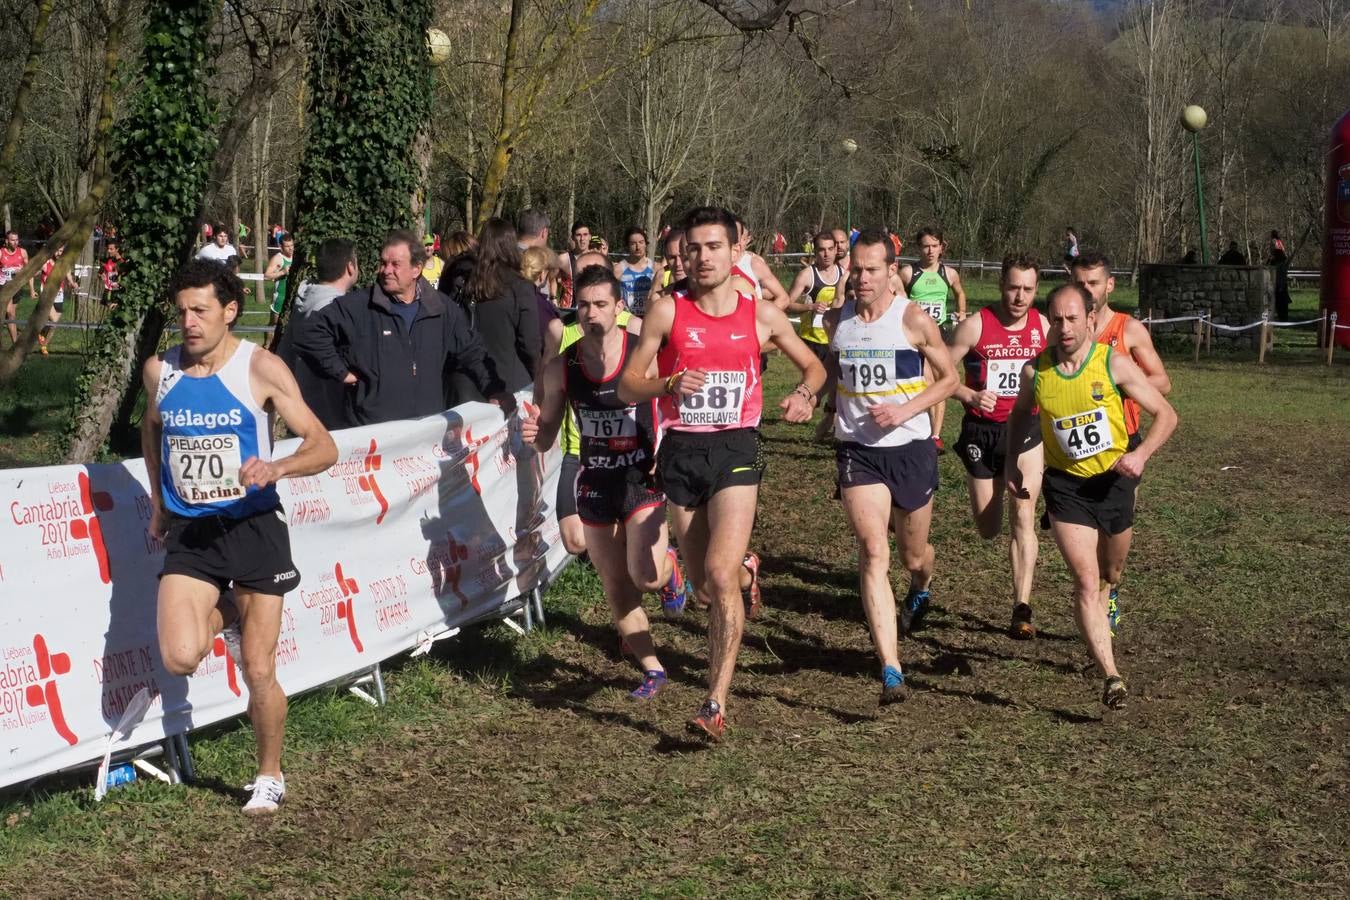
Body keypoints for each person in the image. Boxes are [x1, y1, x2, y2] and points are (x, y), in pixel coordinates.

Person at [618, 206, 826, 741]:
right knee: (713, 585)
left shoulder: (760, 315)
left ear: (737, 252)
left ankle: (715, 701)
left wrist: (805, 393)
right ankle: (747, 574)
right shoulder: (666, 311)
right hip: (682, 451)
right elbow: (627, 385)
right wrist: (665, 386)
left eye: (714, 247)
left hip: (736, 446)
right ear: (683, 253)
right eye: (694, 248)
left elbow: (815, 366)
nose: (703, 257)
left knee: (714, 572)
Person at [141, 260, 338, 813]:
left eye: (200, 310)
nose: (189, 322)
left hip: (254, 526)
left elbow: (323, 445)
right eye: (182, 311)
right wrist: (159, 501)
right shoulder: (161, 373)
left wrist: (278, 469)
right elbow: (150, 430)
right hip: (193, 533)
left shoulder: (261, 368)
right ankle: (231, 608)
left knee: (257, 668)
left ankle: (269, 774)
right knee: (180, 656)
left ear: (230, 311)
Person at [1006, 284, 1177, 710]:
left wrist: (1140, 454)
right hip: (1066, 488)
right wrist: (1011, 463)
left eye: (1072, 318)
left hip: (1115, 480)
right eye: (1057, 319)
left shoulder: (1113, 364)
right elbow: (1016, 418)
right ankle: (1111, 675)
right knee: (1085, 581)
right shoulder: (1037, 372)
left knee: (1110, 573)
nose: (1064, 327)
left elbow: (1167, 415)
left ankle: (1106, 602)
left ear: (1090, 320)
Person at [524, 266, 690, 698]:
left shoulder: (642, 353)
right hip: (595, 479)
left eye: (601, 304)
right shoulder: (563, 366)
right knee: (617, 588)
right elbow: (547, 437)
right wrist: (535, 433)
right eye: (583, 305)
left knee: (646, 576)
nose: (591, 313)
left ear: (619, 308)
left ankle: (670, 569)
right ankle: (652, 668)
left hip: (640, 474)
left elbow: (674, 400)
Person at [822, 228, 958, 702]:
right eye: (855, 269)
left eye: (871, 270)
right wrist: (811, 398)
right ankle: (891, 667)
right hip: (858, 451)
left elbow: (949, 377)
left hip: (909, 447)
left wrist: (905, 410)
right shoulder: (836, 320)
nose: (860, 277)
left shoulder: (913, 319)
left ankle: (922, 584)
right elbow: (831, 372)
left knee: (911, 554)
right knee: (873, 551)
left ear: (889, 271)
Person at [298, 230, 510, 425]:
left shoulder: (441, 308)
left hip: (426, 432)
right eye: (383, 263)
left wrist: (494, 389)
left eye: (395, 264)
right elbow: (309, 333)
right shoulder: (358, 306)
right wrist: (341, 372)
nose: (386, 270)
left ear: (416, 269)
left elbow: (472, 350)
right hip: (372, 435)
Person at [947, 254, 1050, 638]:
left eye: (1027, 289)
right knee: (988, 527)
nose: (1019, 297)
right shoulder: (975, 326)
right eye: (1013, 287)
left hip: (1025, 429)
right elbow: (934, 373)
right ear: (1000, 286)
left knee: (1023, 513)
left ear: (1035, 290)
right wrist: (968, 395)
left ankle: (1022, 606)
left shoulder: (1042, 326)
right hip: (982, 432)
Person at [1071, 251, 1172, 634]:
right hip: (1074, 451)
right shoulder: (1065, 326)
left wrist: (1122, 384)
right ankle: (1093, 608)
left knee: (1111, 551)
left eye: (1093, 284)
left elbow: (1162, 381)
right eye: (1080, 283)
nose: (1087, 291)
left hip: (1122, 448)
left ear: (1109, 285)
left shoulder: (1128, 330)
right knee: (1083, 544)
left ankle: (1109, 588)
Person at [449, 218, 541, 403]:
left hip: (466, 384)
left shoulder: (463, 283)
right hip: (510, 385)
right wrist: (539, 375)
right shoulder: (520, 287)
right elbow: (530, 343)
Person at [278, 237, 361, 430]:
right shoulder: (334, 310)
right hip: (328, 414)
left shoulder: (306, 300)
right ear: (350, 267)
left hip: (303, 407)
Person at [898, 227, 967, 452]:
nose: (930, 251)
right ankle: (920, 427)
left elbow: (960, 293)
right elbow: (895, 294)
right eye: (926, 246)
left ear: (941, 248)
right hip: (916, 336)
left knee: (941, 382)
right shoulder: (909, 273)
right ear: (919, 247)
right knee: (925, 382)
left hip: (941, 333)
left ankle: (935, 435)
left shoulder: (949, 274)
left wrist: (962, 312)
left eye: (934, 246)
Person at [785, 230, 844, 365]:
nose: (826, 254)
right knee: (814, 383)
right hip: (812, 341)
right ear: (815, 251)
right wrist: (811, 307)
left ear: (836, 250)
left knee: (836, 384)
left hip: (836, 339)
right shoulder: (806, 275)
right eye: (822, 250)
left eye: (830, 249)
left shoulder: (844, 274)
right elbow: (787, 305)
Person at [729, 218, 789, 310]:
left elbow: (783, 298)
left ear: (748, 239)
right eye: (732, 236)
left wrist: (759, 319)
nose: (737, 241)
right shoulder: (711, 263)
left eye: (741, 237)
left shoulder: (755, 263)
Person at [37, 244, 80, 356]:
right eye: (57, 250)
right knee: (54, 321)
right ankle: (42, 339)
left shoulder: (65, 265)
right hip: (46, 295)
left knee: (54, 324)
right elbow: (33, 273)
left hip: (59, 295)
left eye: (61, 251)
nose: (59, 253)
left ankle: (44, 344)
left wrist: (73, 284)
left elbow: (69, 279)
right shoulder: (46, 263)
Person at [613, 227, 656, 316]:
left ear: (645, 244)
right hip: (627, 319)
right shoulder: (618, 269)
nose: (638, 247)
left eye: (641, 242)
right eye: (633, 243)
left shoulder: (656, 268)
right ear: (627, 246)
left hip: (649, 318)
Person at [1, 230, 33, 346]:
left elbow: (29, 271)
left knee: (11, 314)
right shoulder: (1, 253)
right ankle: (15, 342)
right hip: (4, 286)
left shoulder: (22, 252)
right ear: (7, 241)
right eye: (12, 240)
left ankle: (15, 341)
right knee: (10, 313)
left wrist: (32, 289)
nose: (15, 242)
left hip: (17, 287)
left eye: (17, 240)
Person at [264, 232, 295, 324]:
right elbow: (267, 276)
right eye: (287, 246)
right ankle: (269, 339)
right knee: (274, 326)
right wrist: (282, 272)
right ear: (281, 246)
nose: (291, 248)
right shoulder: (278, 258)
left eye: (292, 245)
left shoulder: (296, 257)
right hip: (280, 298)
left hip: (293, 297)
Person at [1270, 247, 1292, 320]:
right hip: (1277, 285)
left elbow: (1282, 276)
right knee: (1279, 304)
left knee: (1282, 304)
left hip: (1280, 285)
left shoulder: (1281, 265)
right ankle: (1281, 317)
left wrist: (1281, 286)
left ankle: (1283, 318)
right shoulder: (1274, 263)